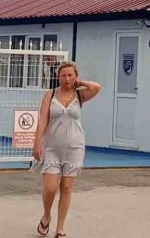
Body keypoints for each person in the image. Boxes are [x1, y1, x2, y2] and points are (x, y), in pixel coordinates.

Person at [32, 61, 102, 238]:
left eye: (70, 75)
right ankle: (46, 216)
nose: (67, 78)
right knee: (50, 187)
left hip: (74, 147)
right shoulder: (50, 94)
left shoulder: (80, 96)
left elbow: (97, 87)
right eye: (63, 75)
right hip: (51, 147)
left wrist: (81, 82)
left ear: (75, 76)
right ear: (58, 77)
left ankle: (60, 227)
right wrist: (36, 143)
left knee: (66, 188)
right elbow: (42, 120)